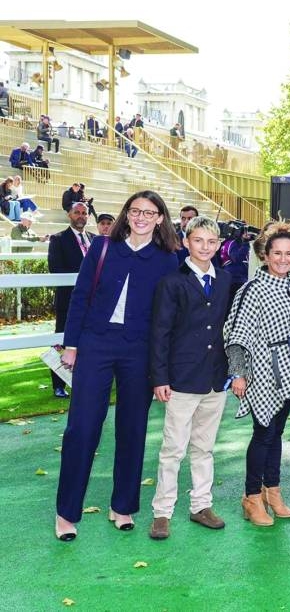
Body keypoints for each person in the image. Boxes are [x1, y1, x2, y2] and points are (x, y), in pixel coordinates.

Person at [54, 191, 180, 541]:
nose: (141, 217)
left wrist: (162, 367)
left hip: (138, 352)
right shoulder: (103, 247)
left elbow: (169, 318)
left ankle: (122, 506)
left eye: (149, 212)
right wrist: (72, 344)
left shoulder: (167, 259)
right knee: (82, 428)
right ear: (127, 214)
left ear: (159, 218)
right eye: (135, 210)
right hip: (95, 345)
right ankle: (66, 512)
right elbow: (80, 296)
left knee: (133, 428)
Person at [147, 217, 233, 540]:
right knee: (173, 448)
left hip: (214, 378)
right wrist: (160, 377)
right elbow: (160, 333)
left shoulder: (225, 280)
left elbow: (228, 329)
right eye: (199, 241)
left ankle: (201, 504)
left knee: (204, 447)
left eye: (212, 242)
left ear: (219, 244)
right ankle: (162, 511)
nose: (205, 247)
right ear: (186, 242)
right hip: (181, 379)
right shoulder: (172, 282)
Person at [224, 224, 290, 527]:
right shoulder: (253, 289)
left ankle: (272, 491)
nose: (284, 259)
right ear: (265, 254)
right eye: (278, 253)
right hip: (262, 368)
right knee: (263, 434)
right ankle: (250, 497)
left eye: (289, 253)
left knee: (276, 433)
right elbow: (237, 334)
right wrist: (238, 374)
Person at [47, 202, 94, 398]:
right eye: (77, 213)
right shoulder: (58, 239)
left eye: (84, 213)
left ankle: (86, 382)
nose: (81, 216)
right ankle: (59, 385)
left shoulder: (95, 239)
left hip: (94, 303)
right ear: (69, 215)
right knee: (62, 340)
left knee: (91, 342)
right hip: (69, 302)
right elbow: (55, 269)